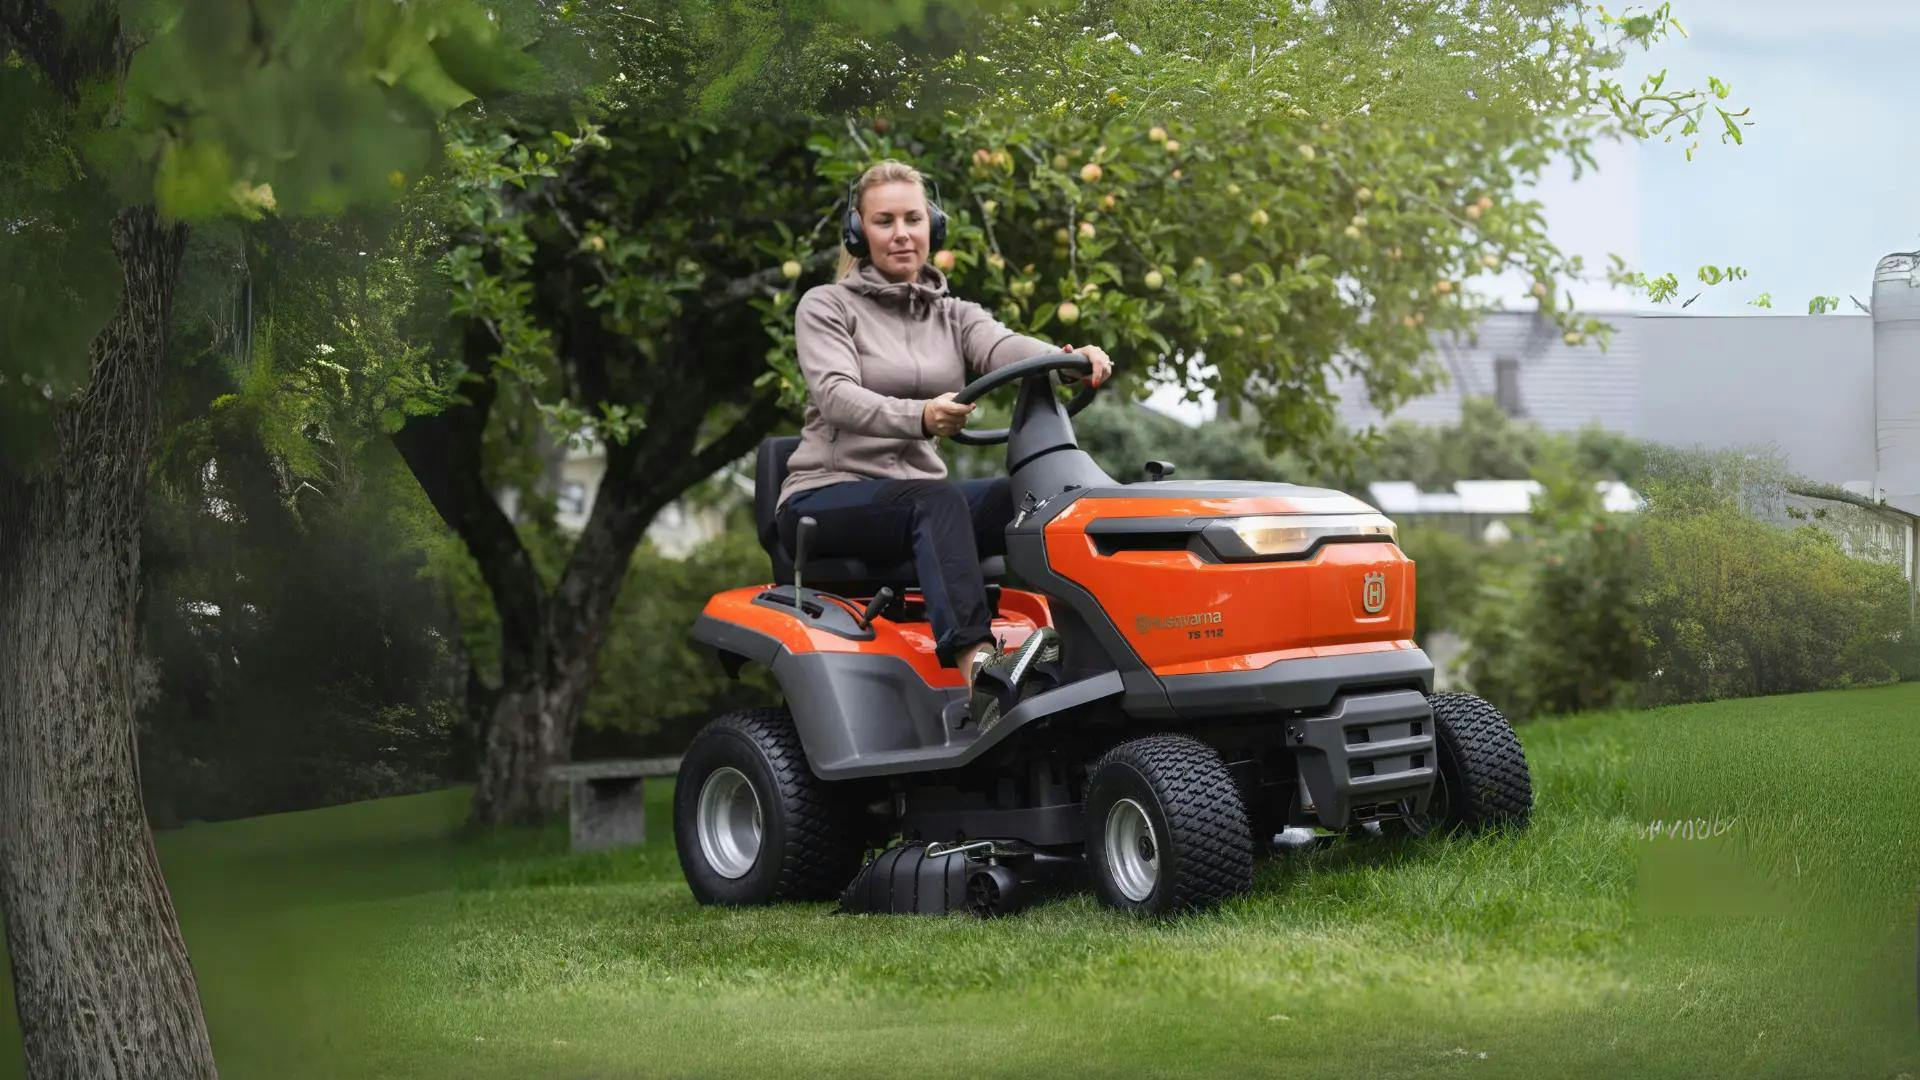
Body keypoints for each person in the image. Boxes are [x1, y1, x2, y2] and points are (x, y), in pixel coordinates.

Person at [776, 159, 1112, 719]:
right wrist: (921, 417)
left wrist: (1066, 359)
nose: (901, 233)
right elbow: (836, 395)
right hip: (827, 495)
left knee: (1041, 498)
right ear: (859, 233)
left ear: (934, 226)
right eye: (884, 221)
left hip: (919, 502)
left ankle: (1075, 644)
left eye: (913, 218)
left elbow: (1005, 348)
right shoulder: (825, 306)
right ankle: (979, 668)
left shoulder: (954, 314)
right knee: (935, 501)